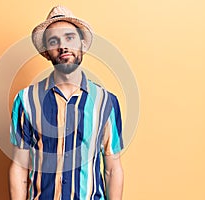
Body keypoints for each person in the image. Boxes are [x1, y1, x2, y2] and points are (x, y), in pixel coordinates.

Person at [9, 5, 124, 200]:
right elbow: (19, 167)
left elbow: (113, 168)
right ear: (46, 52)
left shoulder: (107, 102)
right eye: (54, 41)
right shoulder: (26, 100)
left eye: (69, 38)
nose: (63, 46)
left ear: (82, 44)